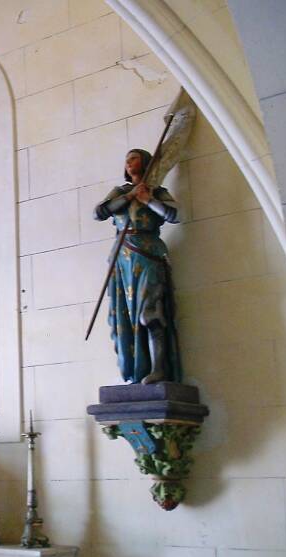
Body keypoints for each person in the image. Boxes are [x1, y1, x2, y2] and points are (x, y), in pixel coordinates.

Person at [94, 148, 181, 384]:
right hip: (122, 257)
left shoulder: (157, 192)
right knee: (125, 317)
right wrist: (130, 196)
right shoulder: (120, 191)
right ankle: (136, 370)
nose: (129, 162)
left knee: (149, 313)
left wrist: (148, 200)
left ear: (145, 162)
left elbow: (174, 215)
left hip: (148, 253)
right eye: (126, 159)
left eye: (134, 157)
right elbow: (99, 212)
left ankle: (160, 368)